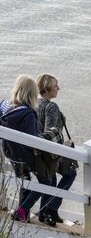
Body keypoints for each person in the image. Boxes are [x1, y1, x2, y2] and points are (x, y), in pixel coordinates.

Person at [0, 75, 55, 225]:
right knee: (46, 182)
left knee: (25, 182)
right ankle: (22, 210)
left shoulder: (4, 106)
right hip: (26, 156)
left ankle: (23, 214)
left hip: (10, 153)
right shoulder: (28, 114)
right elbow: (32, 141)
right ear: (31, 93)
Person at [35, 74, 77, 224]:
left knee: (50, 182)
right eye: (55, 85)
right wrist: (63, 147)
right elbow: (49, 133)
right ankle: (50, 209)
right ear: (46, 89)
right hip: (50, 153)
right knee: (70, 174)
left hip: (38, 152)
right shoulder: (51, 106)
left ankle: (46, 212)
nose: (58, 88)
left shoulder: (34, 103)